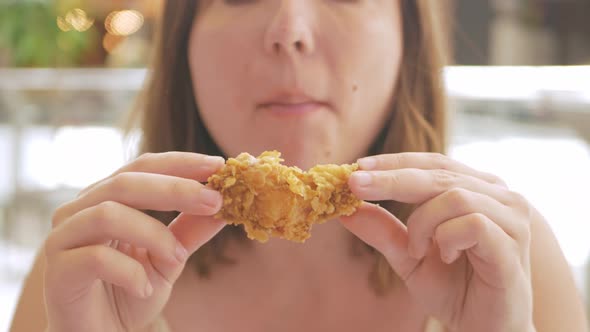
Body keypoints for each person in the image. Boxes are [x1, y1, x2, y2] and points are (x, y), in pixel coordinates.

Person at [10, 1, 588, 331]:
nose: (289, 31)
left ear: (407, 38)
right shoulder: (90, 270)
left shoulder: (506, 261)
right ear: (182, 43)